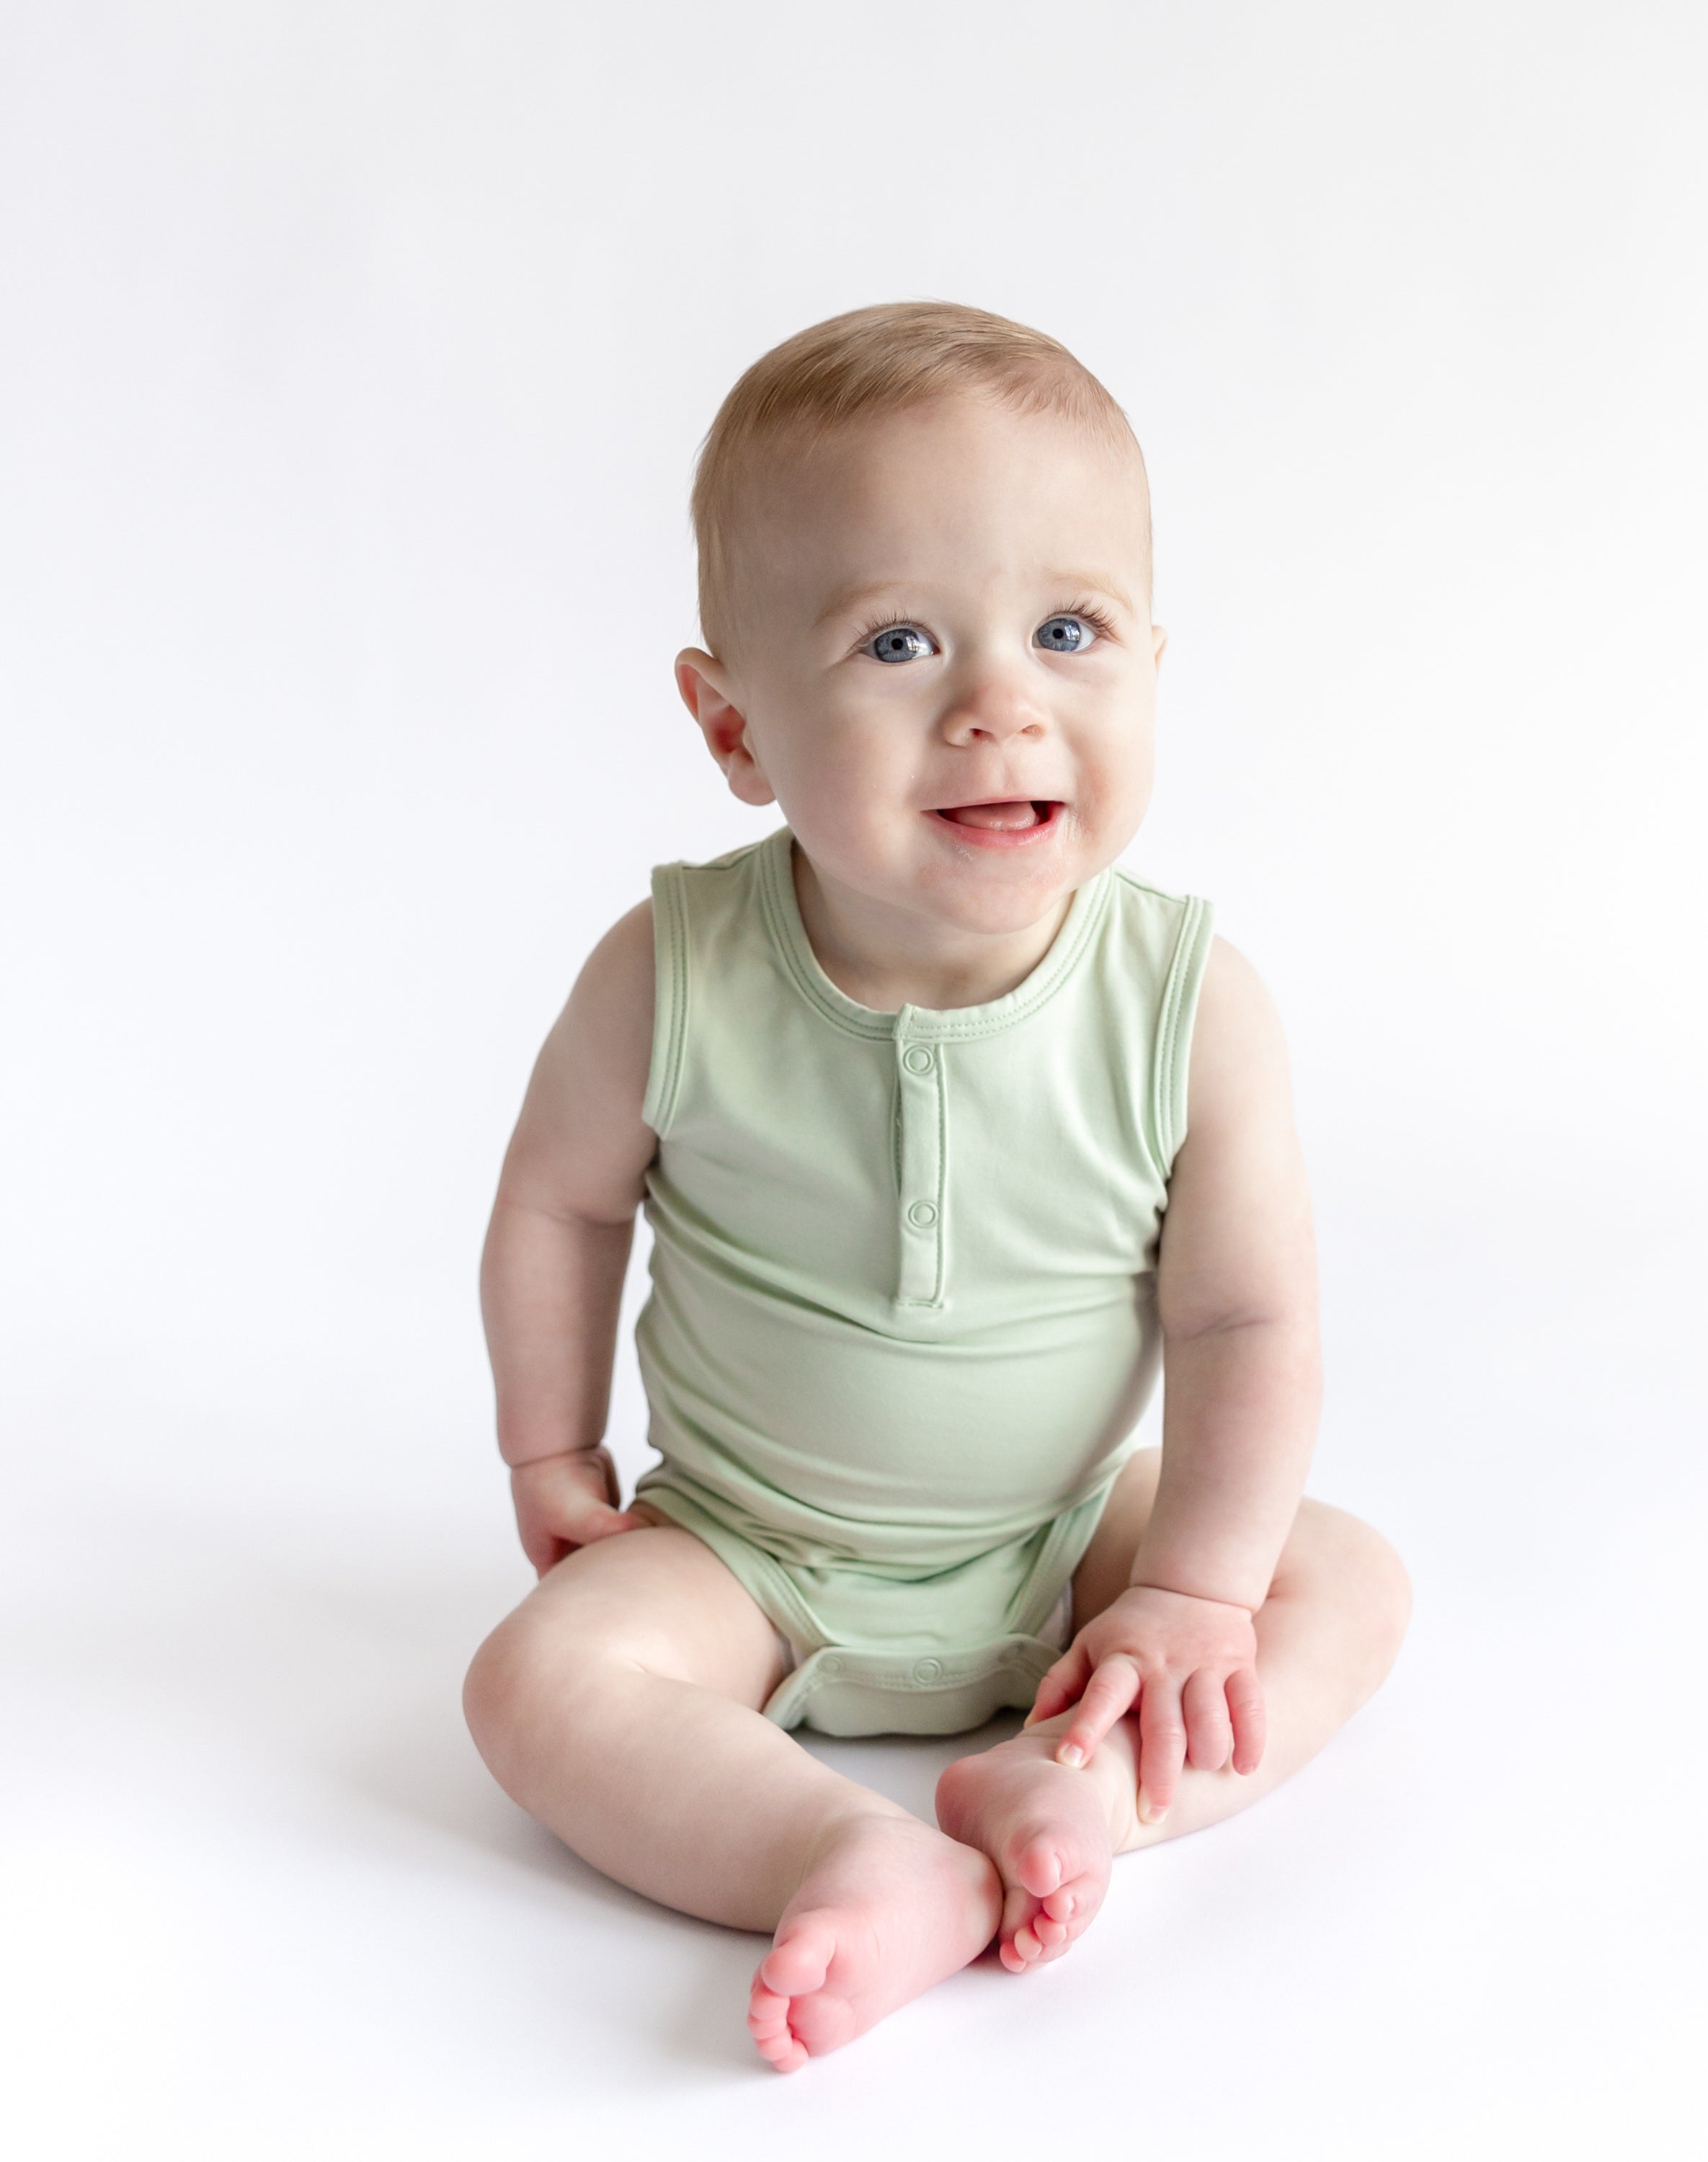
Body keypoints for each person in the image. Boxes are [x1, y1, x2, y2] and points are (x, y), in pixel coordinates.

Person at [463, 302, 1411, 2073]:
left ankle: (1074, 1794)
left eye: (1070, 630)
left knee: (1343, 1577)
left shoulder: (1189, 1004)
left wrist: (1190, 1588)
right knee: (535, 1683)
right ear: (733, 723)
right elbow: (559, 1204)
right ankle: (844, 1851)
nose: (1000, 705)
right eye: (899, 641)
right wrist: (549, 1445)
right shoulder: (667, 972)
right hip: (741, 1546)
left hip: (1064, 1554)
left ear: (1149, 660)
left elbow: (1246, 1319)